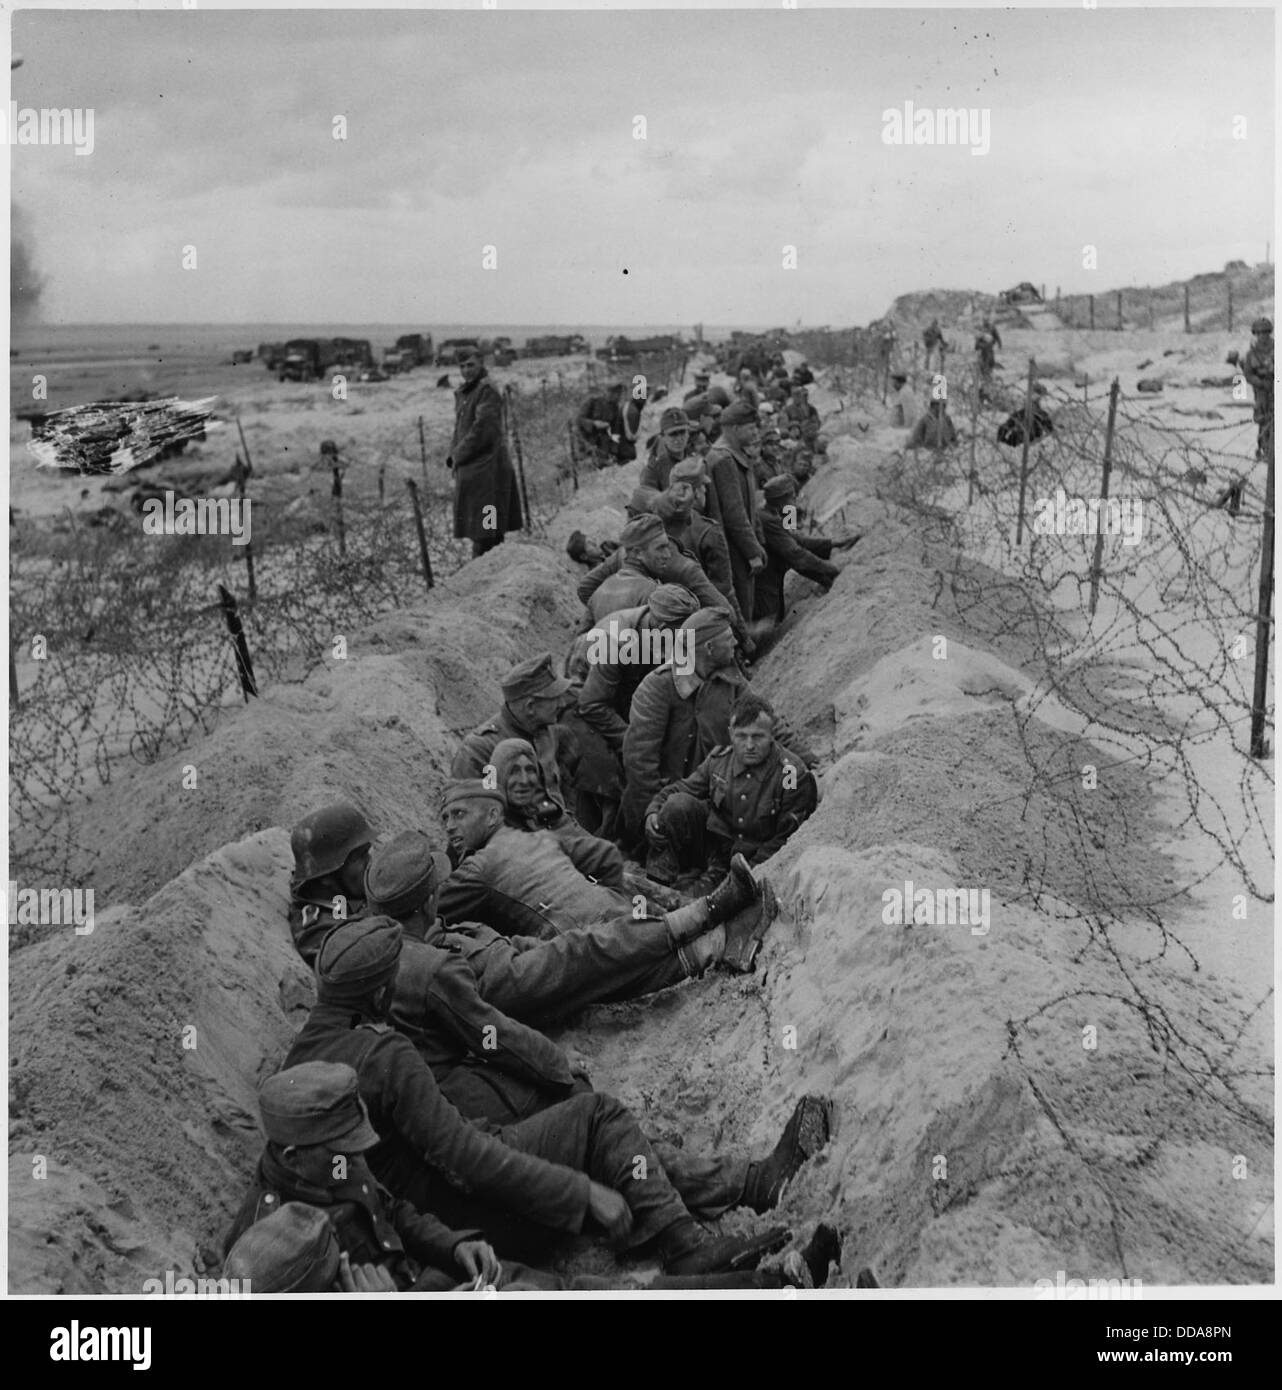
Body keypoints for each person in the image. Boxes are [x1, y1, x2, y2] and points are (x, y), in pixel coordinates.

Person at [282, 914, 810, 1273]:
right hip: (472, 1222)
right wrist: (577, 1192)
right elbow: (466, 1159)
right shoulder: (384, 1054)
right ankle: (687, 1243)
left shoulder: (298, 1066)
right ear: (378, 991)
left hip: (424, 1225)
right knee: (598, 1119)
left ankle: (746, 1184)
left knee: (594, 1143)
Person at [367, 830, 776, 1031]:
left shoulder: (437, 933)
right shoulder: (427, 959)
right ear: (426, 901)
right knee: (586, 954)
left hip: (507, 970)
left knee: (589, 958)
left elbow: (512, 945)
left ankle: (716, 942)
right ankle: (707, 919)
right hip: (505, 993)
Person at [644, 691, 818, 898]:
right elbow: (681, 788)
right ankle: (656, 884)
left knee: (701, 904)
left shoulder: (790, 773)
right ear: (730, 734)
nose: (749, 745)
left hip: (755, 859)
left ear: (772, 734)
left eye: (758, 736)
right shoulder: (719, 760)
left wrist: (747, 872)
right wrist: (653, 810)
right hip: (715, 850)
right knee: (676, 804)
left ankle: (701, 892)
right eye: (741, 736)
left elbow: (787, 837)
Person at [438, 781, 628, 937]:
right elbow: (605, 855)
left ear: (492, 816)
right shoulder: (539, 838)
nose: (449, 826)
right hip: (627, 918)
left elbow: (426, 910)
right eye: (445, 818)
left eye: (459, 814)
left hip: (589, 948)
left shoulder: (479, 867)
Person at [620, 609, 746, 838]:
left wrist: (809, 761)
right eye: (729, 639)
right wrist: (653, 812)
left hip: (712, 798)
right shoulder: (657, 687)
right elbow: (640, 761)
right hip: (665, 805)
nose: (736, 642)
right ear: (709, 649)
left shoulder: (729, 678)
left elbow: (765, 723)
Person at [576, 513, 743, 644]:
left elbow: (581, 645)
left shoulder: (598, 594)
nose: (667, 555)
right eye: (660, 548)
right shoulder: (655, 594)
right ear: (637, 553)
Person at [577, 586, 702, 750]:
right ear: (663, 630)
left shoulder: (662, 627)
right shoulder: (613, 643)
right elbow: (592, 705)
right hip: (585, 693)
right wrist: (635, 743)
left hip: (624, 687)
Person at [451, 653, 576, 807]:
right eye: (555, 698)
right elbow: (469, 817)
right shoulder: (478, 750)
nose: (562, 703)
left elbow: (562, 791)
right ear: (530, 706)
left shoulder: (548, 733)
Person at [448, 349, 522, 559]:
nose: (466, 370)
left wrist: (458, 455)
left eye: (470, 365)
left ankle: (488, 572)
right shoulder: (467, 392)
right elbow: (460, 428)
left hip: (489, 473)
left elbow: (483, 429)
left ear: (481, 363)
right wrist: (453, 455)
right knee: (481, 532)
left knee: (488, 532)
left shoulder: (486, 391)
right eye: (461, 366)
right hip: (475, 472)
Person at [754, 474, 846, 628]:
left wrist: (831, 544)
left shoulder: (776, 510)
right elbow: (795, 554)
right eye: (792, 497)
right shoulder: (767, 518)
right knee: (767, 621)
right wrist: (831, 569)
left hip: (773, 571)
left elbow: (794, 537)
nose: (795, 501)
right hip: (764, 578)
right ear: (782, 499)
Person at [288, 801, 375, 964]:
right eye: (359, 857)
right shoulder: (320, 932)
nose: (369, 862)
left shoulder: (337, 899)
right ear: (327, 876)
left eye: (367, 853)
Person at [705, 400, 768, 618]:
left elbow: (748, 505)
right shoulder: (724, 459)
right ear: (734, 429)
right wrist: (753, 551)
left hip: (739, 546)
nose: (755, 433)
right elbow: (734, 515)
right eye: (750, 428)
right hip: (733, 550)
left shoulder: (733, 454)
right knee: (740, 606)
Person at [1229, 317, 1274, 461]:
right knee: (1263, 420)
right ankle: (1264, 449)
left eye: (1265, 332)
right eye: (1259, 333)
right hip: (1261, 392)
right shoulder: (1251, 354)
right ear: (1256, 334)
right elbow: (1248, 374)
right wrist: (1260, 383)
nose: (1262, 336)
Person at [635, 407, 693, 508]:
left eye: (682, 432)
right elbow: (648, 506)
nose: (679, 439)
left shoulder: (696, 459)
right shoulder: (654, 469)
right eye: (673, 434)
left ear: (688, 433)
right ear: (663, 436)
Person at [575, 382, 627, 467]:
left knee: (607, 460)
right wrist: (594, 423)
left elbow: (616, 428)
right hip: (585, 438)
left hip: (602, 440)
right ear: (609, 392)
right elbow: (579, 419)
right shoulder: (593, 401)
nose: (619, 397)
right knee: (582, 463)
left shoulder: (615, 406)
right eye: (617, 394)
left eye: (620, 394)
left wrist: (615, 448)